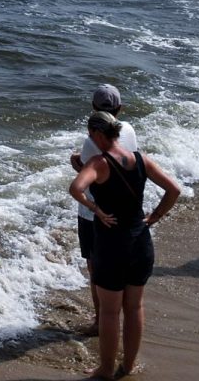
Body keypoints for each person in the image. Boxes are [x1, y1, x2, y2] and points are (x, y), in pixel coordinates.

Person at [68, 110, 181, 381]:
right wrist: (154, 217)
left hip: (110, 244)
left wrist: (96, 209)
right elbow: (174, 190)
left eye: (89, 133)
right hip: (140, 241)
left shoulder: (98, 163)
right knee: (134, 307)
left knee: (109, 311)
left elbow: (76, 188)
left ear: (96, 134)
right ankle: (128, 366)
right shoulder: (141, 160)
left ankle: (106, 369)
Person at [68, 83, 137, 335]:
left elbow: (89, 176)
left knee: (96, 268)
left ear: (93, 110)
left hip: (92, 213)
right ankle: (117, 316)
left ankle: (101, 321)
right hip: (123, 210)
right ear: (120, 108)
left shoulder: (91, 141)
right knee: (119, 265)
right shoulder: (129, 130)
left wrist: (76, 164)